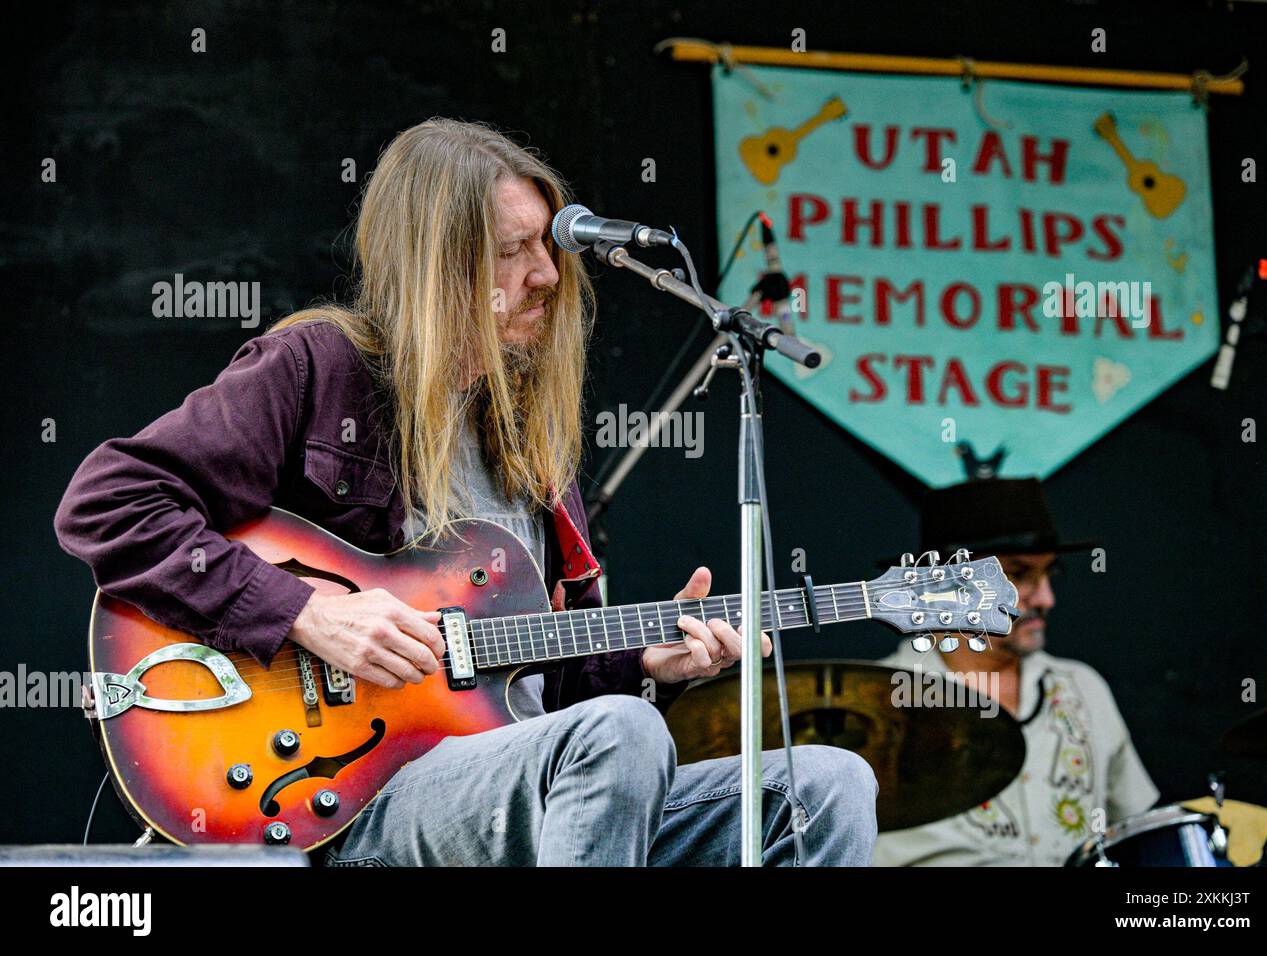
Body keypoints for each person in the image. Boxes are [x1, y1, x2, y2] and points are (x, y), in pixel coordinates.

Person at [54, 117, 878, 866]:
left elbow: (544, 702)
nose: (548, 274)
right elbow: (108, 502)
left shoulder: (530, 447)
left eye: (550, 247)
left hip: (511, 785)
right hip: (347, 792)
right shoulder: (317, 370)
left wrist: (649, 666)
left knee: (827, 784)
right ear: (437, 258)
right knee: (616, 736)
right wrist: (308, 613)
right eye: (513, 250)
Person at [871, 477, 1157, 866]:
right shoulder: (871, 701)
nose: (1046, 599)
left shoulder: (1083, 688)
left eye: (1049, 575)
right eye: (1019, 574)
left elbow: (1140, 833)